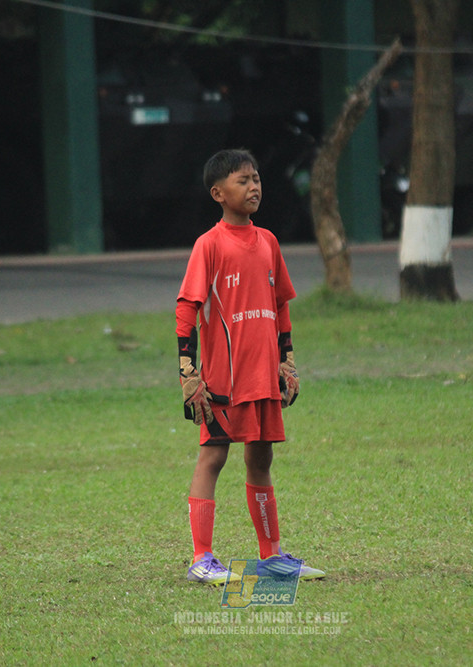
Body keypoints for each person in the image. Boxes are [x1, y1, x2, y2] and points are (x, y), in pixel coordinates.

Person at [176, 148, 325, 586]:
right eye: (243, 180)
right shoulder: (209, 244)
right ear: (218, 193)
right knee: (214, 455)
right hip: (224, 378)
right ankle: (201, 558)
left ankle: (272, 557)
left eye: (257, 178)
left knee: (261, 458)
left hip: (262, 375)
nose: (254, 186)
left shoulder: (270, 242)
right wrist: (189, 373)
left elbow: (280, 308)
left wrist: (288, 361)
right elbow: (187, 310)